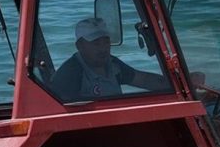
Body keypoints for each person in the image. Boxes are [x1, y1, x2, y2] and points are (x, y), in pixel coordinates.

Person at [44, 16, 173, 103]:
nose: (103, 48)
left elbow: (144, 80)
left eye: (106, 41)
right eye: (95, 43)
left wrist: (178, 83)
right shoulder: (71, 73)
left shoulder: (113, 64)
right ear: (80, 46)